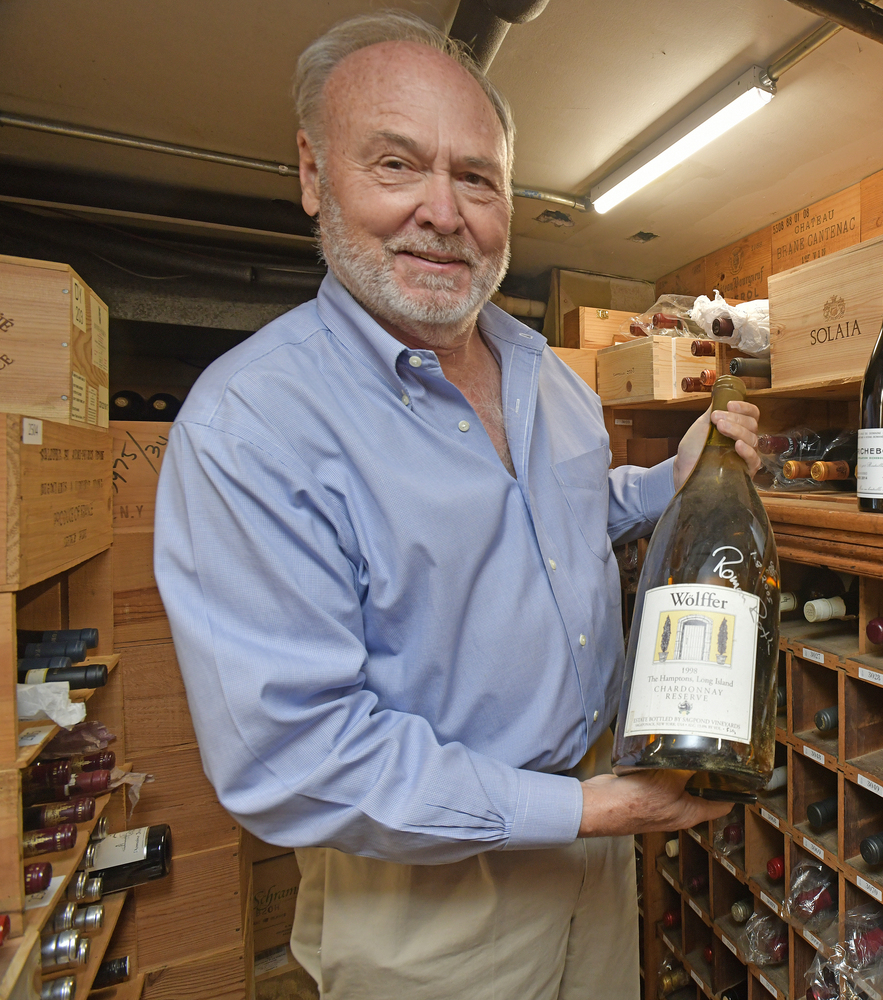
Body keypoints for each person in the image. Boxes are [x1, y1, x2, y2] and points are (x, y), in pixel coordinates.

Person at [154, 10, 758, 999]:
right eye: (396, 165)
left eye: (476, 177)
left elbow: (557, 524)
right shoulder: (250, 425)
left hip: (593, 845)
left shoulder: (549, 379)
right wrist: (598, 811)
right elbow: (300, 756)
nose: (444, 211)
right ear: (313, 175)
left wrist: (667, 481)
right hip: (424, 898)